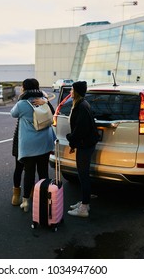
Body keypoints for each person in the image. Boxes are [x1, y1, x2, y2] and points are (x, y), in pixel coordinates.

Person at [10, 78, 56, 212]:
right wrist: (46, 101)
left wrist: (21, 98)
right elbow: (53, 113)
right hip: (44, 143)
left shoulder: (22, 103)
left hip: (29, 145)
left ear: (24, 88)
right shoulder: (43, 99)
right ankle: (44, 199)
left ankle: (25, 202)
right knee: (43, 172)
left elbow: (13, 114)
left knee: (29, 172)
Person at [66, 81, 98, 217]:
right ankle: (85, 202)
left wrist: (71, 139)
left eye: (72, 90)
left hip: (85, 144)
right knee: (83, 174)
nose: (70, 92)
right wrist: (74, 144)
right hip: (85, 144)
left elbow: (80, 130)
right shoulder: (81, 104)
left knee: (83, 175)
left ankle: (84, 208)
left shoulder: (81, 107)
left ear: (77, 91)